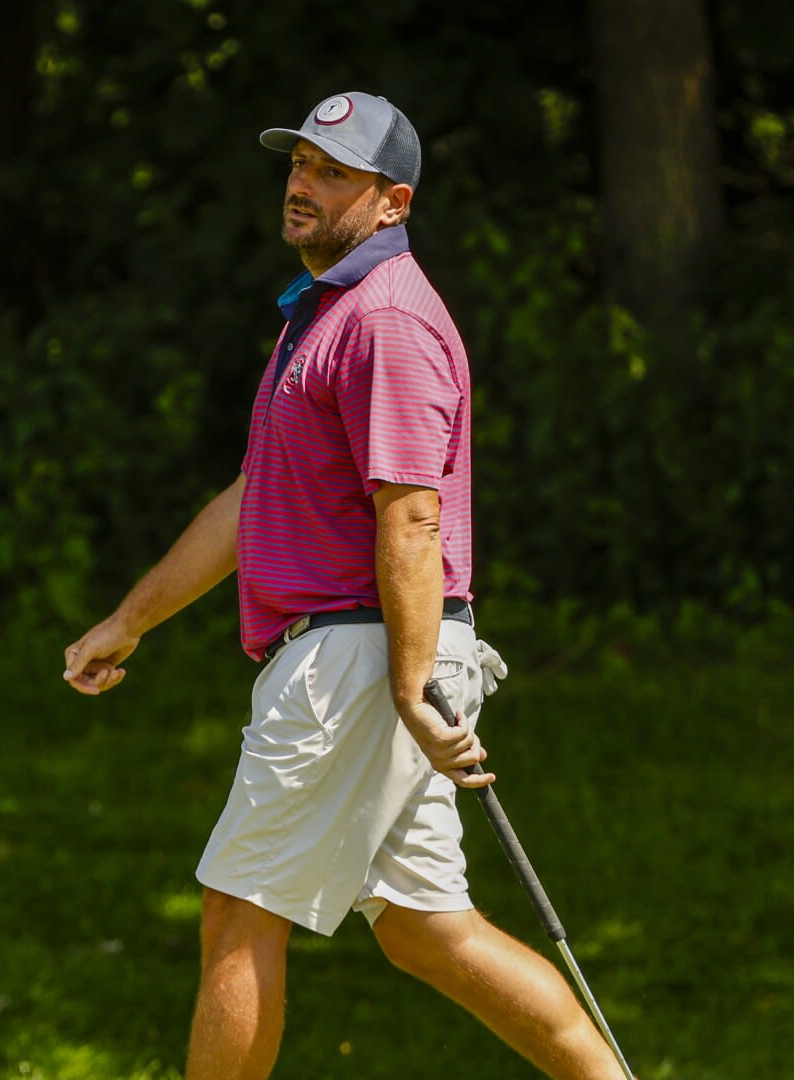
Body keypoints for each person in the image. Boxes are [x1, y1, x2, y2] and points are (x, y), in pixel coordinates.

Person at [63, 91, 624, 1080]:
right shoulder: (322, 318)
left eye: (334, 172)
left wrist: (410, 687)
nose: (303, 186)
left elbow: (409, 517)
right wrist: (131, 618)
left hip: (361, 656)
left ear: (393, 200)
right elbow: (255, 500)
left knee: (241, 914)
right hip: (371, 654)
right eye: (299, 166)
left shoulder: (390, 322)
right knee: (424, 930)